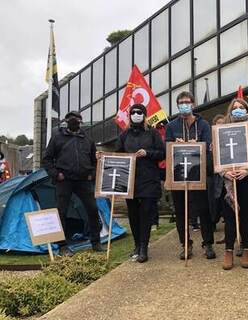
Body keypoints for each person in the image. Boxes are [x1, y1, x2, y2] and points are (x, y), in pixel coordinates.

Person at [43, 111, 104, 254]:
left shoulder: (88, 139)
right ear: (66, 121)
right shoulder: (57, 138)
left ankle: (96, 242)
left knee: (93, 209)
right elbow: (47, 159)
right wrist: (56, 174)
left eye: (77, 119)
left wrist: (92, 175)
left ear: (81, 122)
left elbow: (95, 162)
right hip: (64, 180)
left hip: (84, 181)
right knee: (61, 212)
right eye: (71, 119)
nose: (74, 121)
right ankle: (62, 246)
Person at [166, 91, 216, 260]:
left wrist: (198, 144)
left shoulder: (203, 125)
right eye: (181, 102)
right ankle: (185, 244)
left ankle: (208, 243)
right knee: (181, 211)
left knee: (203, 209)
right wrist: (175, 144)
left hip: (199, 174)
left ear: (193, 104)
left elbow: (209, 145)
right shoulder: (171, 126)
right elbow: (167, 147)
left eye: (187, 102)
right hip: (179, 175)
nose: (184, 104)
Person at [112, 104, 165, 262]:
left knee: (146, 214)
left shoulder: (153, 133)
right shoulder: (124, 135)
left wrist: (147, 153)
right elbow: (117, 154)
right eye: (133, 112)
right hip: (129, 181)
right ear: (129, 115)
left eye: (139, 112)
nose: (136, 114)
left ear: (144, 115)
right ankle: (136, 245)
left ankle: (144, 247)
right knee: (133, 215)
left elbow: (162, 153)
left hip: (148, 179)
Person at [218, 98, 248, 270]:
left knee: (246, 216)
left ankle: (246, 249)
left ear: (247, 110)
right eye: (235, 108)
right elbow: (215, 153)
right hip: (228, 181)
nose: (238, 110)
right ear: (230, 111)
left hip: (246, 179)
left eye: (241, 108)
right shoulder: (221, 130)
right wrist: (224, 171)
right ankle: (228, 250)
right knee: (230, 217)